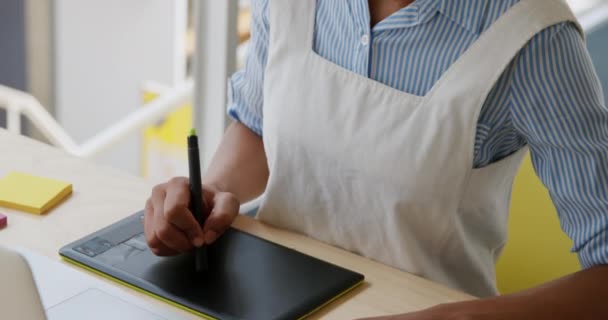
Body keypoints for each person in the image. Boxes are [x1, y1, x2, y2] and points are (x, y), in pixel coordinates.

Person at [144, 0, 608, 318]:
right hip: (267, 302)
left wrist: (463, 317)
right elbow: (258, 124)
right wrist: (210, 196)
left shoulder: (535, 41)